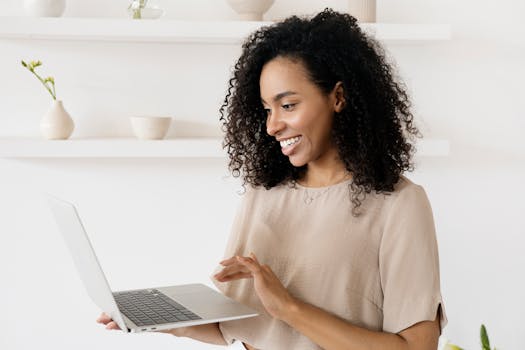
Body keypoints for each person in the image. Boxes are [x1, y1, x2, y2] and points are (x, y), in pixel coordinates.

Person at [98, 8, 447, 349]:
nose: (272, 125)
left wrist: (289, 308)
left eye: (288, 105)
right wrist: (160, 320)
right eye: (267, 109)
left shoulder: (399, 204)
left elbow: (417, 346)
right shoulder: (262, 195)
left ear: (338, 97)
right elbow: (239, 327)